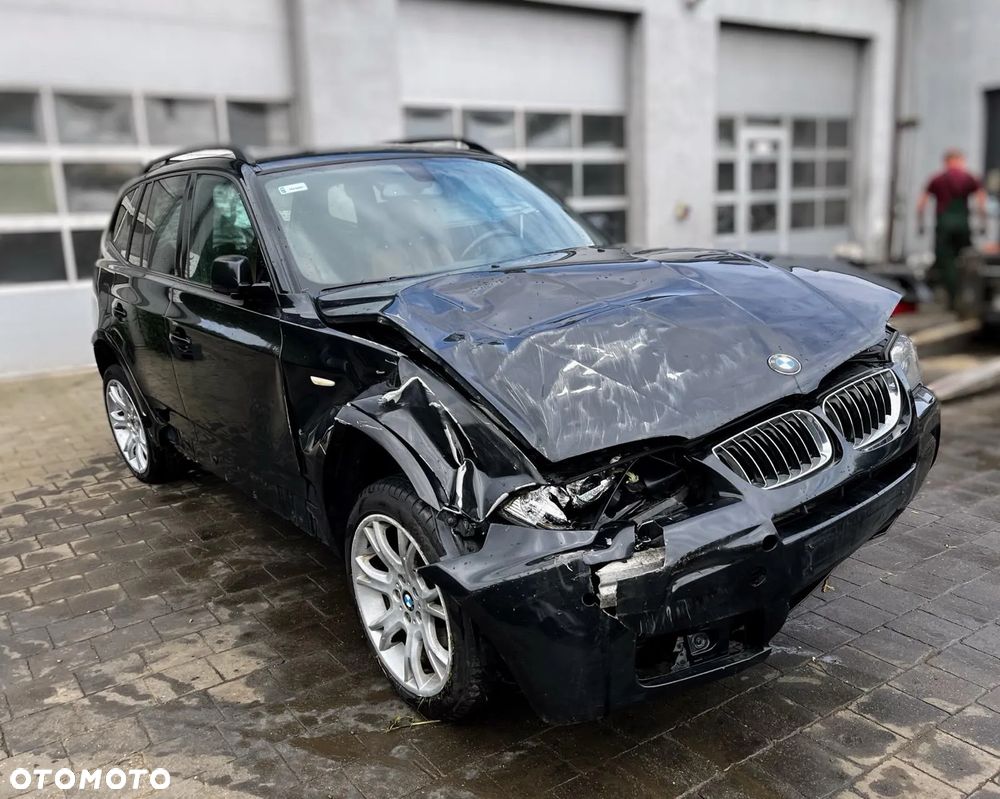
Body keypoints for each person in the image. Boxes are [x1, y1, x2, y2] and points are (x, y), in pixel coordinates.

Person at [917, 148, 987, 309]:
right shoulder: (968, 178)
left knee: (945, 261)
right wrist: (984, 222)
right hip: (963, 225)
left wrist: (919, 224)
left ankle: (952, 296)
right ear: (960, 161)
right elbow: (981, 200)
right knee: (966, 258)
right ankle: (967, 297)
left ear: (946, 162)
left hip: (944, 226)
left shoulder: (937, 179)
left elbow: (921, 204)